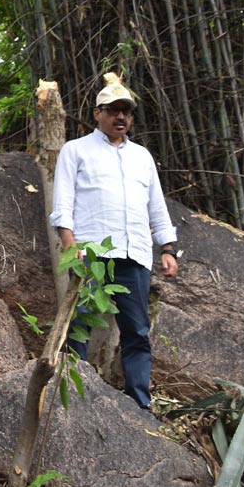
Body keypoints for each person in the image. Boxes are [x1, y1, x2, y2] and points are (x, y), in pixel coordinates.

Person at [50, 73, 179, 410]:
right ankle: (73, 401)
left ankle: (140, 405)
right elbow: (62, 203)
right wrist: (70, 245)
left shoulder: (142, 156)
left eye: (126, 111)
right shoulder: (76, 150)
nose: (120, 117)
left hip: (135, 254)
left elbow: (156, 206)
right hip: (91, 253)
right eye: (113, 110)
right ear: (98, 113)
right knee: (79, 325)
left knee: (137, 331)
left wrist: (167, 248)